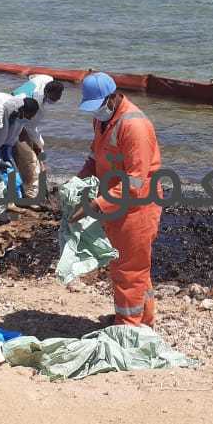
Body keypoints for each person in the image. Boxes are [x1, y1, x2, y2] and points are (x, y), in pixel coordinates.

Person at [69, 72, 162, 327]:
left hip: (137, 206)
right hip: (115, 201)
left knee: (129, 269)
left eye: (97, 106)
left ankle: (128, 325)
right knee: (129, 266)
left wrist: (95, 206)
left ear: (112, 98)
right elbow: (95, 157)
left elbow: (135, 181)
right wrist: (77, 183)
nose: (94, 112)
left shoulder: (134, 126)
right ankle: (142, 319)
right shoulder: (102, 120)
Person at [11, 75, 65, 203]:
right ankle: (31, 197)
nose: (55, 100)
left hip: (24, 115)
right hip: (16, 119)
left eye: (58, 98)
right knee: (30, 159)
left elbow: (33, 77)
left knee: (35, 153)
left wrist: (40, 149)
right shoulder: (35, 104)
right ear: (46, 92)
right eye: (53, 98)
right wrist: (39, 150)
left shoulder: (47, 79)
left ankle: (34, 186)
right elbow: (30, 128)